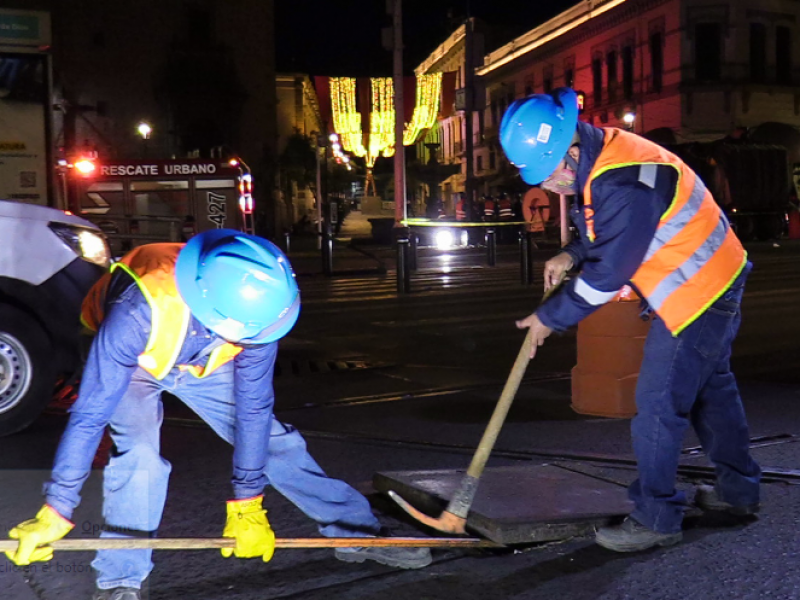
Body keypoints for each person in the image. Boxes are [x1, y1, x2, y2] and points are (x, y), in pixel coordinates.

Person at [4, 230, 431, 599]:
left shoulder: (260, 310)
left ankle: (353, 530)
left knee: (273, 439)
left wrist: (248, 503)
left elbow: (253, 409)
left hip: (202, 357)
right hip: (137, 359)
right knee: (139, 458)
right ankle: (120, 579)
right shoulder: (137, 310)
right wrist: (56, 509)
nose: (259, 340)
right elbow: (90, 413)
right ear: (215, 316)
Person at [499, 88, 761, 553]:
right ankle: (737, 492)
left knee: (658, 403)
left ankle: (657, 517)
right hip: (716, 275)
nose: (551, 187)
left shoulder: (619, 179)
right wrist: (570, 251)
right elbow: (613, 229)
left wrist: (548, 317)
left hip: (697, 290)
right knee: (711, 392)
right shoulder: (607, 156)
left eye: (552, 175)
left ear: (571, 150)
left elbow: (609, 274)